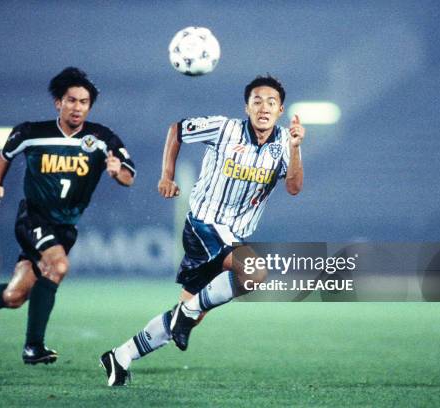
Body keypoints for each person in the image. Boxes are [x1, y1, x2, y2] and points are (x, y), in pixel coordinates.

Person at [100, 75, 305, 385]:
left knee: (188, 315)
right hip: (204, 224)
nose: (264, 108)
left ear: (281, 110)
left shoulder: (285, 143)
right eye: (257, 101)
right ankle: (187, 313)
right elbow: (177, 130)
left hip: (233, 236)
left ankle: (121, 355)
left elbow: (294, 187)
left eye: (271, 103)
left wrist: (296, 148)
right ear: (246, 107)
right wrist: (166, 176)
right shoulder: (225, 129)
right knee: (255, 272)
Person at [0, 67, 136, 365]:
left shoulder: (102, 138)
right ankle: (33, 348)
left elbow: (130, 175)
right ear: (58, 103)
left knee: (14, 297)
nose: (77, 107)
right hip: (33, 219)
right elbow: (5, 154)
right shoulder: (31, 132)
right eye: (71, 100)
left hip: (66, 227)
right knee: (59, 266)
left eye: (84, 102)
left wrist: (117, 173)